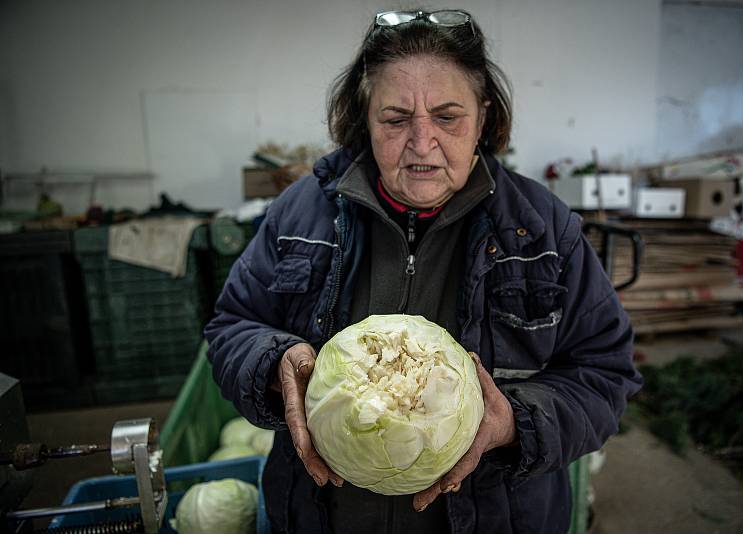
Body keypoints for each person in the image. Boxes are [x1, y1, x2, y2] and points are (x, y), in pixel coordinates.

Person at [205, 9, 642, 534]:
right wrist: (274, 363)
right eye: (394, 118)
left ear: (483, 117)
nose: (421, 141)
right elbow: (232, 326)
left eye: (447, 116)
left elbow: (604, 373)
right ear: (363, 118)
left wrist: (514, 425)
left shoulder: (543, 231)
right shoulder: (300, 213)